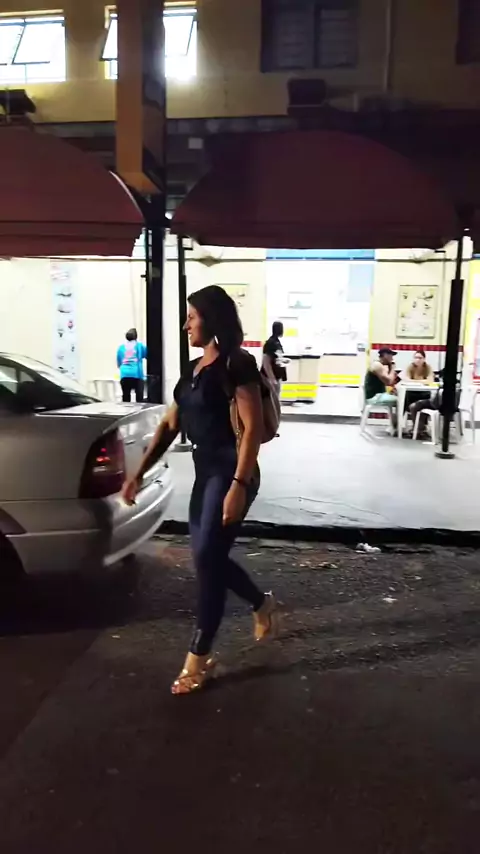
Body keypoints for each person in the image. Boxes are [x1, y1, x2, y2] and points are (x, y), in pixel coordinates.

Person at [121, 285, 278, 695]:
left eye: (191, 316)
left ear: (212, 319)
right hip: (204, 474)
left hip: (231, 472)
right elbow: (169, 425)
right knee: (208, 559)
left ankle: (199, 656)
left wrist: (239, 485)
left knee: (208, 559)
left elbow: (252, 429)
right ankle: (260, 602)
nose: (185, 324)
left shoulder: (236, 363)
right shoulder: (192, 371)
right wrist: (138, 473)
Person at [364, 348, 398, 421]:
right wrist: (393, 369)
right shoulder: (377, 365)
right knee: (401, 400)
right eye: (391, 355)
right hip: (375, 397)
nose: (392, 358)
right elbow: (389, 382)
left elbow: (389, 382)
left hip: (378, 395)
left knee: (400, 399)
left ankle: (395, 424)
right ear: (385, 355)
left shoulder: (379, 365)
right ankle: (397, 424)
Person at [117, 328, 147, 403]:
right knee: (139, 400)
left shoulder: (121, 347)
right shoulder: (139, 346)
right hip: (137, 375)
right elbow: (148, 355)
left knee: (126, 398)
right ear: (136, 336)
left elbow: (119, 363)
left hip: (124, 375)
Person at [262, 321, 287, 395]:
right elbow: (266, 362)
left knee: (276, 397)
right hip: (271, 378)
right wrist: (272, 379)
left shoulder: (277, 342)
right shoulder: (270, 343)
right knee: (273, 398)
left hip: (276, 376)